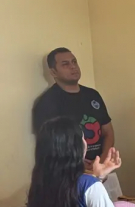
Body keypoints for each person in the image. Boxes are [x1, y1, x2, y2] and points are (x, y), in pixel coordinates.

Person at [32, 48, 122, 199]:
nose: (73, 66)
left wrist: (101, 161)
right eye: (65, 64)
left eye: (74, 62)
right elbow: (49, 144)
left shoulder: (92, 95)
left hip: (103, 170)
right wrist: (79, 165)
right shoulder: (47, 103)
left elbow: (108, 132)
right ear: (53, 72)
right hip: (70, 177)